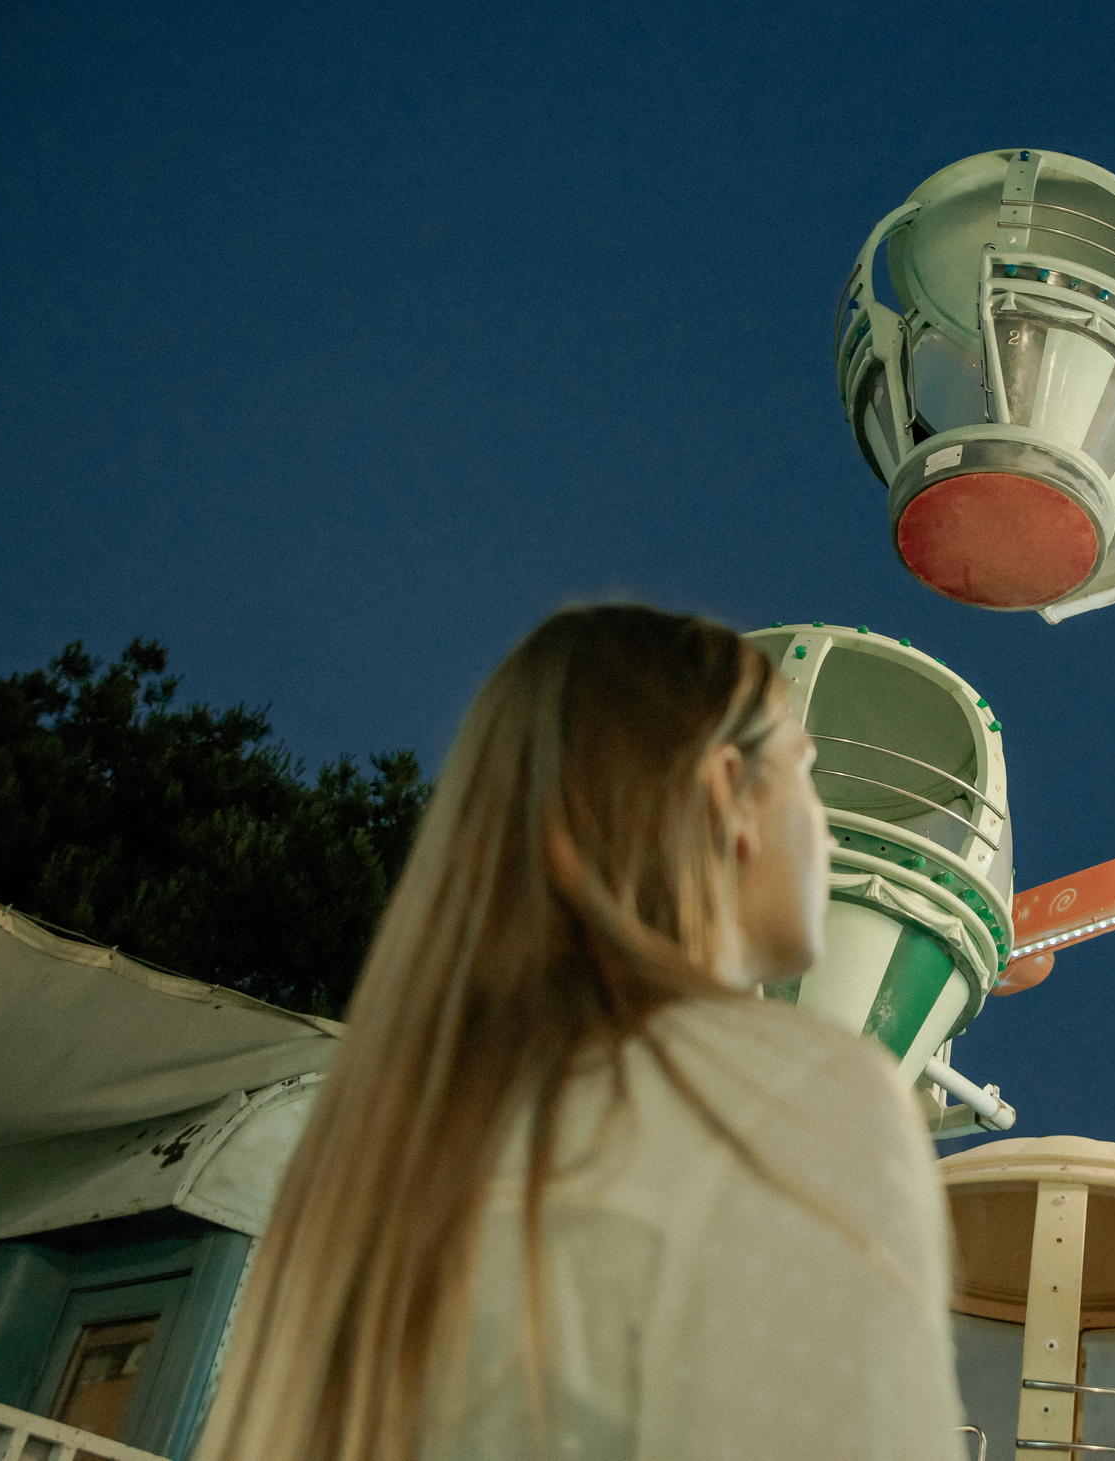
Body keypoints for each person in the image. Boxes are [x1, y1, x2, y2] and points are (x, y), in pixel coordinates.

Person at [198, 605, 967, 1461]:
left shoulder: (373, 1149)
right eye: (807, 774)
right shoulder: (806, 1100)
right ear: (729, 792)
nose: (824, 825)